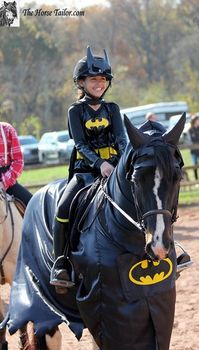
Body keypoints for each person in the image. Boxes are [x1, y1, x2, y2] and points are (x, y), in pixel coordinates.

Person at [50, 46, 127, 288]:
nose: (99, 84)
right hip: (86, 171)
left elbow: (122, 139)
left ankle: (166, 248)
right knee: (63, 208)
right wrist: (99, 163)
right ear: (81, 82)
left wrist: (123, 162)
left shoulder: (112, 108)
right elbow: (80, 144)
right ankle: (60, 262)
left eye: (103, 79)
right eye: (94, 79)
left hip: (115, 168)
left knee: (147, 197)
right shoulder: (75, 111)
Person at [0, 121, 32, 206]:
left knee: (34, 206)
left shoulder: (7, 129)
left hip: (7, 182)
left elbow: (18, 161)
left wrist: (4, 183)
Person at [188, 114, 199, 180]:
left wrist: (198, 138)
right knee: (195, 164)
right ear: (194, 121)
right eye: (198, 120)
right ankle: (196, 180)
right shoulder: (190, 130)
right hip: (194, 150)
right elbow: (192, 139)